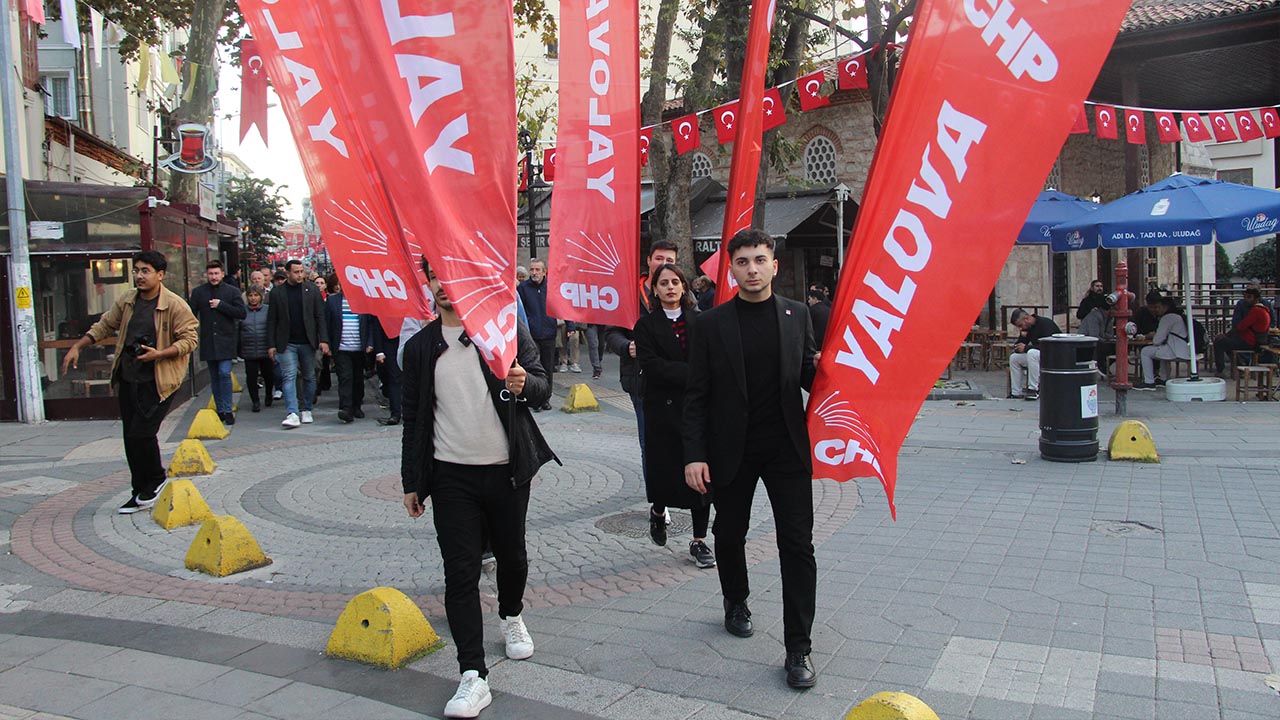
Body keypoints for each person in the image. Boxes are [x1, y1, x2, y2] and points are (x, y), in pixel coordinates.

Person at [400, 262, 558, 719]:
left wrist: (525, 383)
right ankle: (472, 674)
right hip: (451, 476)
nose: (447, 288)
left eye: (454, 278)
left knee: (513, 557)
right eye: (437, 279)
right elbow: (413, 418)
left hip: (508, 470)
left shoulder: (502, 332)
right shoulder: (420, 348)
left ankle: (512, 615)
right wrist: (414, 481)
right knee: (460, 571)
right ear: (427, 285)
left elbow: (543, 386)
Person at [682, 228, 819, 689]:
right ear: (731, 268)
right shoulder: (711, 325)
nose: (753, 269)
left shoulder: (797, 315)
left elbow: (808, 378)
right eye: (743, 262)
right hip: (730, 449)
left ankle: (798, 647)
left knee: (797, 545)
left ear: (774, 265)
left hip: (787, 449)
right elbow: (696, 395)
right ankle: (735, 600)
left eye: (760, 260)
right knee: (730, 532)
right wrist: (694, 455)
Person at [60, 251, 198, 514]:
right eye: (136, 270)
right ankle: (139, 491)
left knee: (143, 433)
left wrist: (159, 353)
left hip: (159, 381)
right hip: (128, 377)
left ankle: (156, 479)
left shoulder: (174, 305)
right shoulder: (127, 301)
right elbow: (104, 326)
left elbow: (189, 340)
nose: (139, 276)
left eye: (145, 271)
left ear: (160, 274)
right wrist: (78, 346)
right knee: (130, 437)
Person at [634, 263, 715, 568]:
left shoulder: (702, 322)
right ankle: (658, 511)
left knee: (701, 477)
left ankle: (699, 541)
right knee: (664, 471)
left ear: (684, 287)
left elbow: (711, 360)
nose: (670, 287)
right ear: (654, 289)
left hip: (696, 407)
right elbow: (652, 365)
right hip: (662, 409)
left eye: (675, 282)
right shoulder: (646, 325)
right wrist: (693, 373)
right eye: (663, 283)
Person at [604, 240, 679, 496]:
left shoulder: (680, 290)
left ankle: (676, 486)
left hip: (674, 378)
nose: (664, 265)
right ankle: (658, 496)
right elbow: (611, 333)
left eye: (670, 260)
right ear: (649, 261)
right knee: (650, 440)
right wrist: (627, 347)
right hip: (640, 380)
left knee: (676, 437)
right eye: (660, 259)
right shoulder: (627, 292)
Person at [267, 259, 329, 428]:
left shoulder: (312, 290)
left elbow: (319, 316)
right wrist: (271, 344)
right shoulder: (277, 293)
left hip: (308, 341)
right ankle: (292, 412)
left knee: (309, 376)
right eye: (296, 272)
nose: (300, 275)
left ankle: (306, 408)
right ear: (287, 273)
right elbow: (272, 320)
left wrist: (323, 339)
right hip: (286, 342)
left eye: (302, 271)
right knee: (289, 376)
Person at [188, 260, 247, 425]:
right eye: (210, 274)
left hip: (226, 340)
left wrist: (221, 305)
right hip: (208, 340)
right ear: (206, 275)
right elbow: (191, 313)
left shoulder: (232, 291)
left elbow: (241, 313)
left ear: (222, 274)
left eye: (216, 273)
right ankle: (220, 409)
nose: (213, 277)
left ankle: (228, 409)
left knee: (224, 373)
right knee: (214, 376)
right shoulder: (199, 292)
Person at [516, 259, 562, 411]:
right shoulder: (523, 288)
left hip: (549, 333)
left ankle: (546, 398)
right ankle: (533, 397)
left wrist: (571, 326)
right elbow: (519, 309)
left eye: (537, 270)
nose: (534, 273)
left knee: (548, 368)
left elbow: (561, 306)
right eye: (532, 270)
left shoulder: (551, 287)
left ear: (544, 272)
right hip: (531, 335)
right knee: (533, 367)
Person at [325, 275, 370, 423]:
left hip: (359, 347)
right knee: (345, 377)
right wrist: (328, 343)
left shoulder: (364, 301)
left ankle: (357, 405)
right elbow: (327, 324)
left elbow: (370, 324)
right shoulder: (333, 301)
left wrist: (370, 343)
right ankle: (346, 408)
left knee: (358, 378)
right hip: (342, 348)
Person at [1211, 286, 1273, 374]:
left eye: (1249, 297)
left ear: (1256, 298)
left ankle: (1220, 370)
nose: (1246, 299)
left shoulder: (1256, 311)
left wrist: (1225, 335)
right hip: (1255, 341)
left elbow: (1241, 326)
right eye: (1245, 297)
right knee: (1225, 342)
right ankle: (1239, 365)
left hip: (1250, 341)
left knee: (1219, 342)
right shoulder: (1264, 310)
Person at [1136, 296, 1191, 388]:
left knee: (1145, 351)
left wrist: (1152, 336)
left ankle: (1149, 381)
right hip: (1185, 349)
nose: (1157, 310)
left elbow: (1157, 340)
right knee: (1162, 351)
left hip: (1176, 351)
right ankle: (1163, 378)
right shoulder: (1178, 316)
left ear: (1165, 307)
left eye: (1159, 307)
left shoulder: (1167, 318)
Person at [1008, 308, 1061, 401]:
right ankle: (1016, 392)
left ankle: (1033, 389)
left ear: (1026, 318)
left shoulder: (1045, 324)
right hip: (1038, 357)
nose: (1020, 328)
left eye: (1020, 325)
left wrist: (1026, 348)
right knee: (1014, 358)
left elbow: (1048, 347)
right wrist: (1022, 338)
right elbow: (1019, 347)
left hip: (1053, 356)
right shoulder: (1027, 328)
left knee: (1032, 353)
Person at [239, 285, 274, 412]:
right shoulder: (242, 311)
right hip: (249, 349)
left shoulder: (268, 310)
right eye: (250, 295)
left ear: (261, 297)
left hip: (265, 348)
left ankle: (269, 394)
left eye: (256, 295)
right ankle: (255, 401)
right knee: (251, 376)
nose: (253, 298)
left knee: (268, 375)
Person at [369, 316, 403, 425]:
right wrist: (379, 351)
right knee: (394, 380)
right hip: (390, 344)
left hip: (409, 340)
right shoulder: (384, 303)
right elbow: (377, 326)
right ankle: (395, 413)